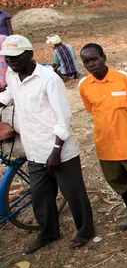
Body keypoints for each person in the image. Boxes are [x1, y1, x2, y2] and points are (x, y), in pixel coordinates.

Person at [0, 35, 94, 253]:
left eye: (16, 57)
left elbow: (64, 117)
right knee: (41, 197)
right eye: (7, 57)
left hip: (58, 150)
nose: (11, 61)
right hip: (34, 149)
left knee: (73, 194)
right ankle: (48, 232)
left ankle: (85, 231)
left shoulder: (48, 79)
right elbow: (9, 95)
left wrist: (56, 151)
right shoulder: (14, 76)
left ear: (30, 55)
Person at [79, 43, 127, 231]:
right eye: (86, 62)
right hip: (105, 145)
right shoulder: (84, 86)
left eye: (94, 59)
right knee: (118, 182)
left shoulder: (123, 79)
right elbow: (93, 111)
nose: (91, 64)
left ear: (104, 58)